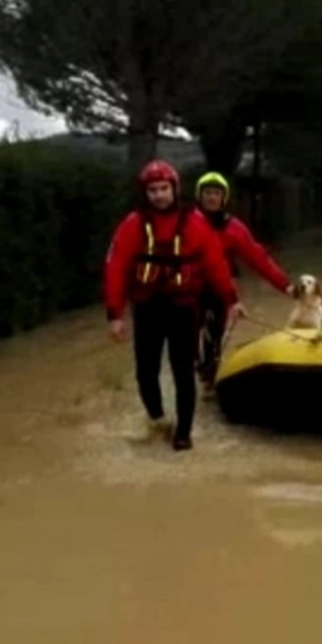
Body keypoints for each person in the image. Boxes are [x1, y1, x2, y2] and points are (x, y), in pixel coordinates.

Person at [104, 160, 241, 451]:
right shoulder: (132, 225)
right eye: (152, 190)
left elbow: (216, 264)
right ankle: (157, 419)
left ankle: (183, 433)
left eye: (164, 188)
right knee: (145, 372)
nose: (159, 195)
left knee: (183, 372)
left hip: (183, 308)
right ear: (145, 193)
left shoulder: (195, 223)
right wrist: (114, 314)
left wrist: (232, 299)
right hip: (147, 307)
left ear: (174, 189)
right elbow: (115, 268)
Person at [193, 171, 296, 388]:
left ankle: (208, 380)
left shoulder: (234, 228)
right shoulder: (186, 223)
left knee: (214, 338)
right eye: (207, 193)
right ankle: (193, 370)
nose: (211, 198)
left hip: (221, 290)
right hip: (188, 289)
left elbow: (258, 258)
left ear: (224, 198)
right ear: (199, 196)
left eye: (216, 193)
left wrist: (285, 285)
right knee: (186, 338)